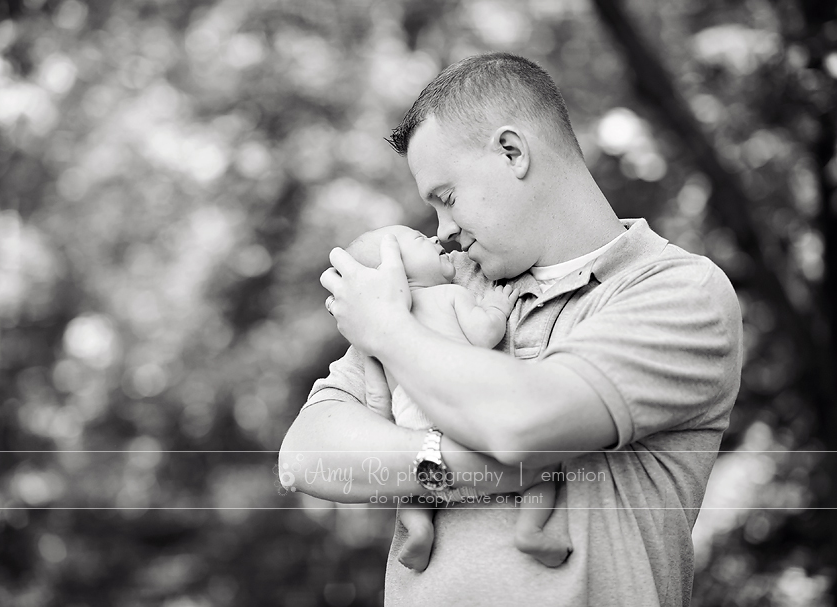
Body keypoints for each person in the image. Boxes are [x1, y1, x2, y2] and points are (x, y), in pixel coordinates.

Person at [279, 52, 742, 607]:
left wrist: (384, 328)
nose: (443, 231)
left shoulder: (675, 290)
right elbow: (308, 455)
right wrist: (459, 467)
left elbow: (523, 423)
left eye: (446, 199)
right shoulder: (449, 288)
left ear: (511, 151)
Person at [341, 224, 572, 572]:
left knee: (407, 488)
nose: (435, 238)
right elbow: (484, 336)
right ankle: (530, 530)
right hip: (465, 419)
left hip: (420, 440)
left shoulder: (371, 337)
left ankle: (418, 527)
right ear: (396, 269)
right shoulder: (448, 295)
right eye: (420, 240)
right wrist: (495, 308)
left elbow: (377, 399)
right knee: (543, 472)